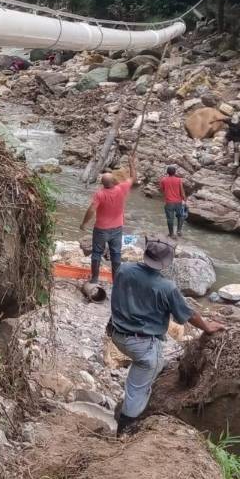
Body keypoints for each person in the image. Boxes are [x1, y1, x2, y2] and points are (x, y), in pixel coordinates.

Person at [108, 237, 225, 436]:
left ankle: (133, 403)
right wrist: (207, 327)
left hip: (118, 335)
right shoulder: (166, 287)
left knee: (146, 371)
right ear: (166, 263)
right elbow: (187, 314)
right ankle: (124, 432)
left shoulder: (123, 269)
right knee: (139, 387)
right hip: (142, 344)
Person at [80, 156, 136, 283]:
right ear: (114, 181)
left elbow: (91, 209)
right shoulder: (122, 188)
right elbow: (133, 178)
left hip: (101, 229)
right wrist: (132, 164)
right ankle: (116, 280)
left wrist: (83, 224)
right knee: (116, 254)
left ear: (103, 183)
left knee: (97, 253)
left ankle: (94, 279)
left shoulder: (100, 194)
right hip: (117, 228)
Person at [159, 164, 187, 238]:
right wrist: (184, 199)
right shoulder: (179, 180)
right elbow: (182, 191)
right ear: (175, 172)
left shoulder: (163, 180)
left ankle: (171, 234)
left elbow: (161, 190)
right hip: (178, 202)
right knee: (180, 216)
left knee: (170, 218)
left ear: (167, 172)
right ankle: (179, 231)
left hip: (169, 202)